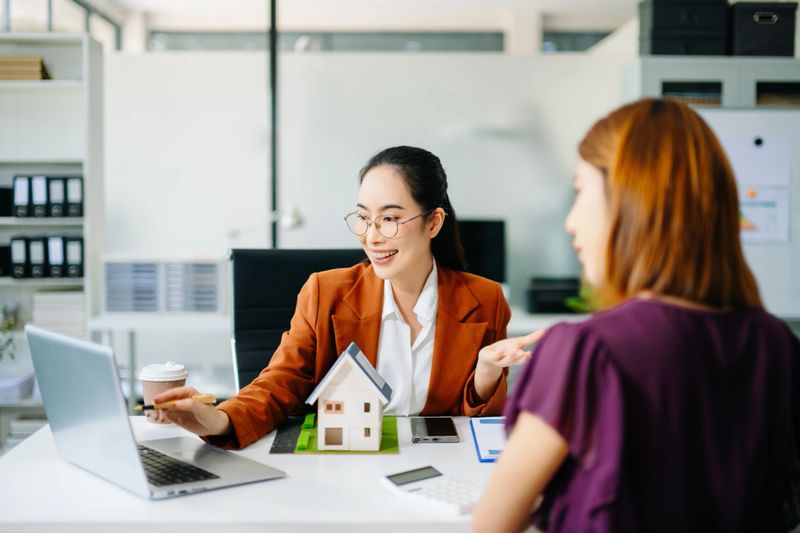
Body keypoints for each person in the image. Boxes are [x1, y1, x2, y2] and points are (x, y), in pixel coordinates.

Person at [473, 99, 800, 532]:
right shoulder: (776, 342)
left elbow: (493, 525)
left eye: (581, 192)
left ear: (630, 202)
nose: (570, 222)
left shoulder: (587, 352)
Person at [155, 145, 519, 449]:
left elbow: (481, 430)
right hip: (346, 464)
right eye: (363, 218)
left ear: (434, 223)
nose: (371, 237)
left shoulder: (483, 300)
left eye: (389, 219)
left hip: (439, 470)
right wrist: (215, 419)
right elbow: (277, 386)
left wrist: (487, 375)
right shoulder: (325, 293)